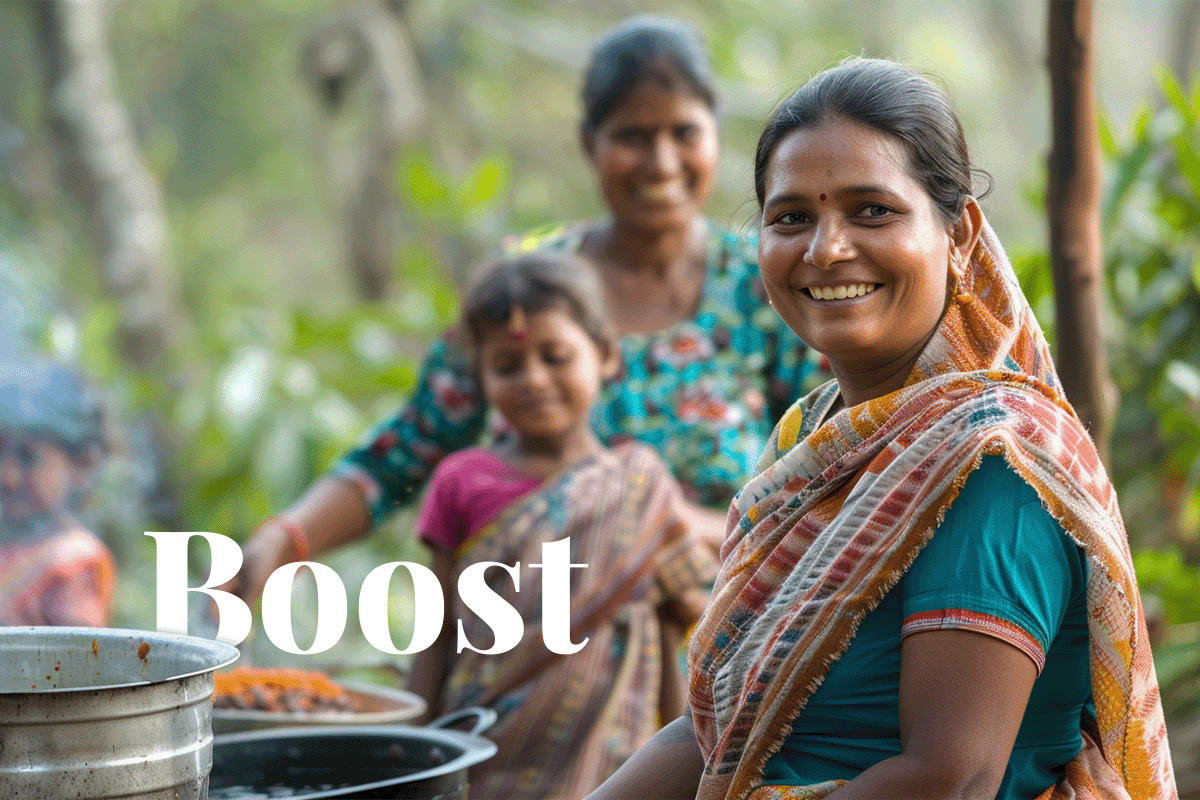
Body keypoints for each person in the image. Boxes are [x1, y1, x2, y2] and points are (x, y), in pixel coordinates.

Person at [584, 57, 1176, 800]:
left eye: (873, 211)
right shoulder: (814, 431)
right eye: (791, 216)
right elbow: (727, 728)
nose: (825, 249)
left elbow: (950, 779)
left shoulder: (993, 463)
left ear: (958, 235)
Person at [224, 14, 827, 605]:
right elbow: (406, 450)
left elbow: (826, 478)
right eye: (632, 137)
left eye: (683, 133)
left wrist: (668, 521)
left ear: (716, 137)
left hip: (718, 656)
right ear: (591, 145)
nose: (661, 162)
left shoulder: (764, 287)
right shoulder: (526, 285)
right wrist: (287, 537)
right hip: (524, 645)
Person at [405, 251, 716, 799]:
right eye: (507, 366)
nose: (534, 379)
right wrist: (414, 752)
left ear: (606, 355)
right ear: (480, 375)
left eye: (555, 356)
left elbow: (680, 619)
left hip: (616, 755)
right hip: (484, 747)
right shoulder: (461, 481)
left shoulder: (640, 483)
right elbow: (436, 629)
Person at [0, 358, 116, 628]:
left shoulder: (75, 561)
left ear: (83, 462)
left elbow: (73, 662)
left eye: (28, 457)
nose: (8, 477)